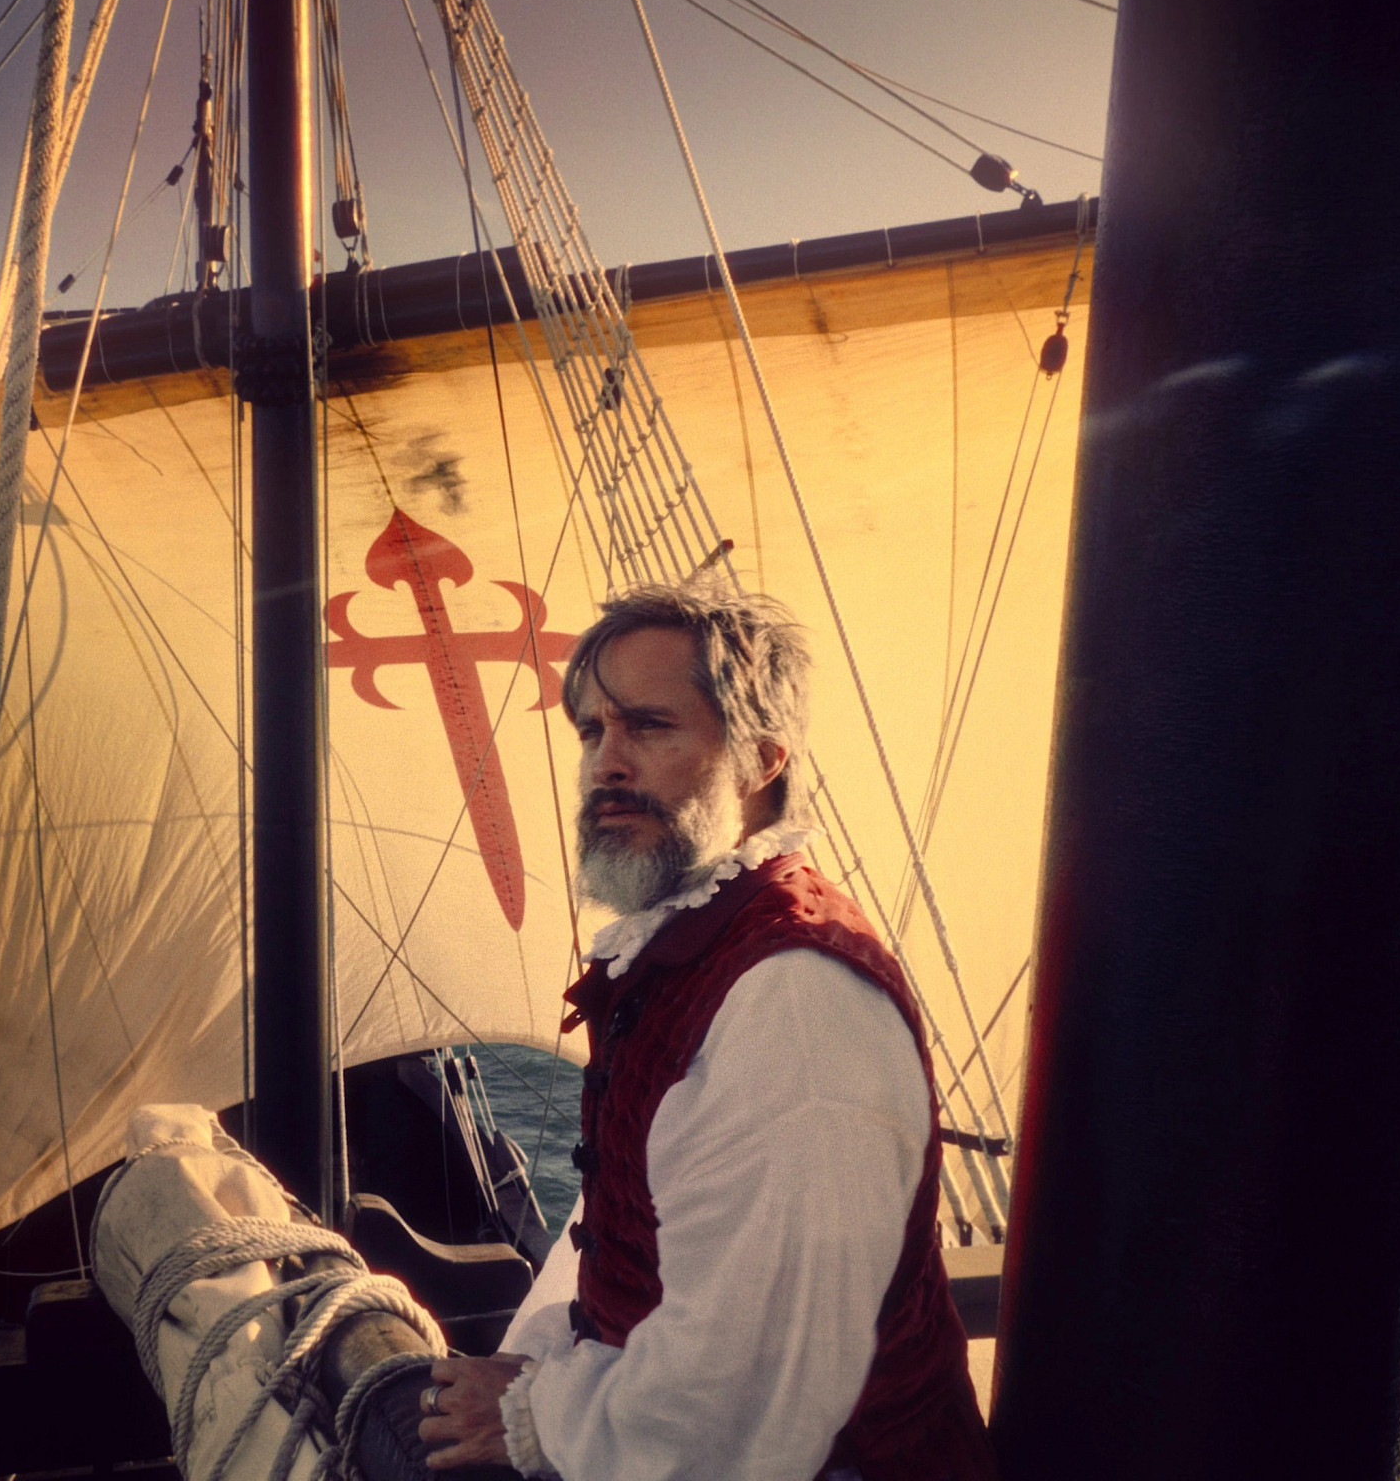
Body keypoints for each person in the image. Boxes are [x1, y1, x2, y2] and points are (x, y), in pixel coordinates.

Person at [415, 582, 994, 1480]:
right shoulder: (698, 947)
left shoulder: (793, 1004)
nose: (607, 762)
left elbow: (740, 1406)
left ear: (761, 762)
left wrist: (533, 1416)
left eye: (648, 727)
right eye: (592, 732)